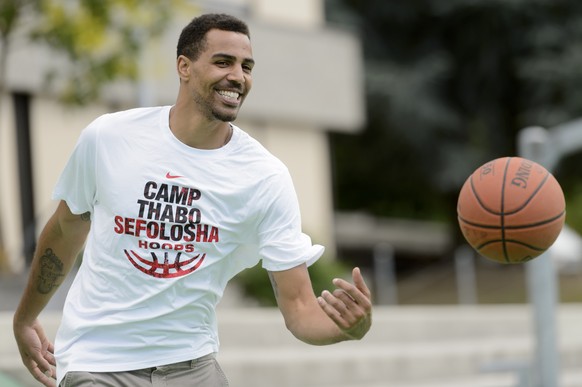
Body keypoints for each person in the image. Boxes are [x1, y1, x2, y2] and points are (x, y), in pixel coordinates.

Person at [13, 13, 372, 387]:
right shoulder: (108, 138)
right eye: (223, 62)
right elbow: (66, 228)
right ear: (183, 66)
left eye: (246, 66)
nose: (238, 76)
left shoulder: (265, 176)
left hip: (193, 367)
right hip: (98, 362)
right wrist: (25, 318)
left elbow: (299, 307)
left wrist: (348, 329)